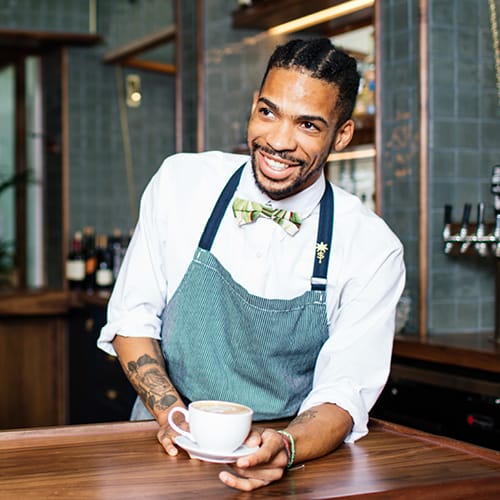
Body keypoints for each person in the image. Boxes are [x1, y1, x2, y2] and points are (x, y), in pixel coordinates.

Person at [98, 38, 405, 492]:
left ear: (341, 135)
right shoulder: (181, 184)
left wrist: (284, 447)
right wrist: (173, 416)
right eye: (268, 112)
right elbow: (132, 318)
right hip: (163, 448)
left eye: (307, 124)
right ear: (253, 106)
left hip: (283, 460)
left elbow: (344, 392)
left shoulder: (371, 246)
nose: (279, 140)